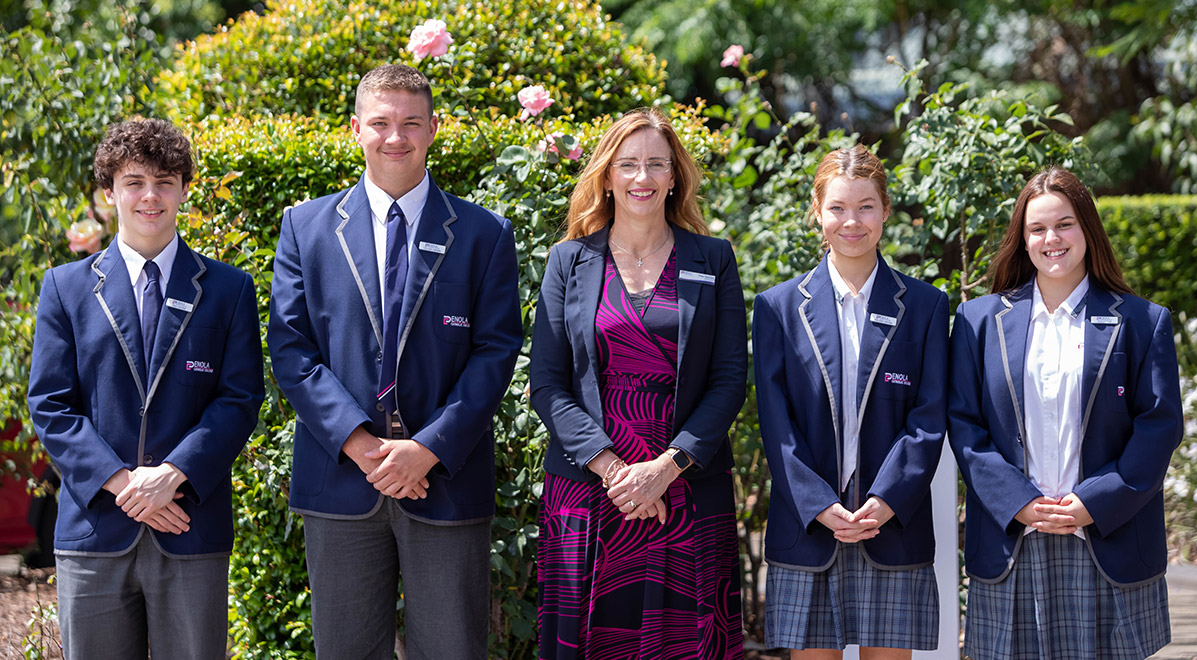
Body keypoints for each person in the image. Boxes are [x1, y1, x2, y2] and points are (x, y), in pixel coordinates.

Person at [266, 64, 522, 659]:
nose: (395, 137)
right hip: (340, 480)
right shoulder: (305, 227)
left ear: (435, 128)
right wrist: (360, 445)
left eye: (411, 123)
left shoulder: (484, 234)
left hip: (446, 479)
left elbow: (495, 353)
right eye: (380, 122)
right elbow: (291, 348)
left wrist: (427, 449)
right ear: (356, 128)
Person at [27, 118, 265, 659]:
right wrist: (125, 484)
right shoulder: (65, 289)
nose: (150, 196)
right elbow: (51, 405)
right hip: (96, 533)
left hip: (191, 526)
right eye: (134, 182)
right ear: (108, 192)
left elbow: (240, 399)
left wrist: (172, 476)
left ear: (184, 188)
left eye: (164, 180)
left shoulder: (228, 290)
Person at [530, 107, 747, 659]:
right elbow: (548, 384)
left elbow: (729, 380)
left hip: (687, 489)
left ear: (675, 175)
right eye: (628, 164)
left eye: (656, 164)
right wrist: (618, 474)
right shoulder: (568, 261)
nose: (642, 178)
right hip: (589, 490)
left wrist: (665, 469)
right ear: (606, 174)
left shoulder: (714, 259)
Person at [949, 167, 1180, 660]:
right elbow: (965, 427)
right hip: (1014, 539)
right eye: (1037, 228)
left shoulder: (1142, 321)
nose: (1051, 238)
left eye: (1065, 224)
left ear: (1088, 230)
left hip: (1107, 536)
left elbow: (1159, 427)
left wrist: (1094, 502)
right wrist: (1018, 501)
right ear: (1023, 240)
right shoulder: (977, 322)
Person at [753, 145, 948, 659]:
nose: (852, 221)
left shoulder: (926, 307)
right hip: (809, 529)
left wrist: (886, 502)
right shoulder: (776, 308)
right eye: (838, 207)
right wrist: (818, 505)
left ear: (886, 210)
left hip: (892, 526)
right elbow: (777, 426)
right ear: (817, 211)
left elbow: (928, 421)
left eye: (865, 206)